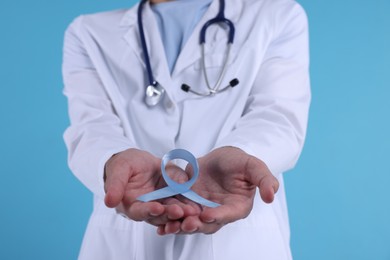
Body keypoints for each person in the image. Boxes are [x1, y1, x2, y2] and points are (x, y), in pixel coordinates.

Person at [62, 0, 310, 259]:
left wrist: (242, 152)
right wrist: (113, 158)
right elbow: (91, 126)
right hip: (124, 242)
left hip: (238, 243)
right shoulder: (87, 32)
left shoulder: (278, 15)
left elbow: (277, 117)